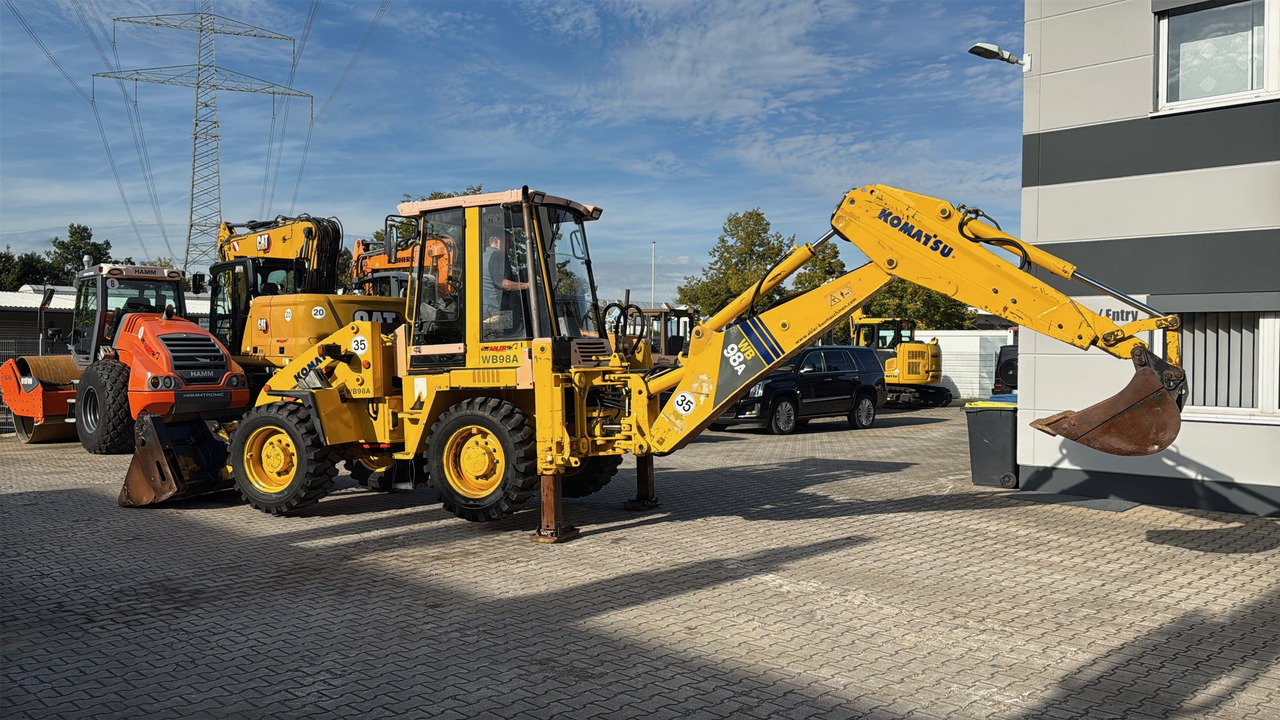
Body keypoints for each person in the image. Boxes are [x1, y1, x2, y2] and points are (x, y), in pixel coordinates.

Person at [483, 234, 529, 337]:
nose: (510, 246)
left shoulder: (485, 256)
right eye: (508, 242)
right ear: (496, 240)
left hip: (486, 310)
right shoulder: (498, 255)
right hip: (495, 311)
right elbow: (502, 283)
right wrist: (527, 285)